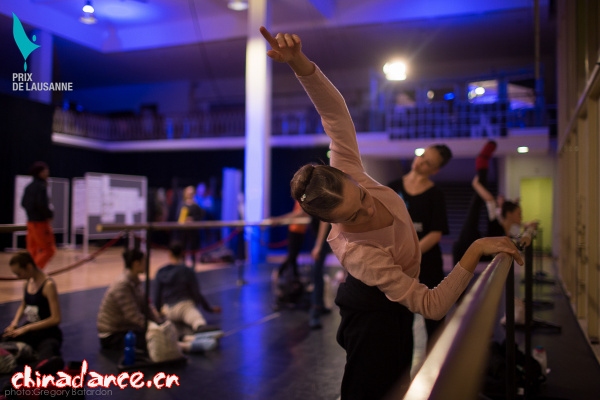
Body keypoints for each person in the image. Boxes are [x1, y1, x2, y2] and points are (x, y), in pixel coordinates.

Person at [260, 26, 524, 400]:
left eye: (362, 196)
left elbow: (334, 113)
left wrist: (298, 62)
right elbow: (432, 306)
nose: (369, 208)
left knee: (400, 382)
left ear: (350, 176)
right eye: (354, 216)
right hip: (371, 316)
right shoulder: (359, 253)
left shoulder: (348, 168)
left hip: (394, 307)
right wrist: (477, 247)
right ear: (333, 222)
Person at [387, 144, 453, 349]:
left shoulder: (436, 195)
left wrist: (410, 254)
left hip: (427, 264)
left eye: (428, 162)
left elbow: (435, 233)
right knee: (399, 324)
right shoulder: (392, 187)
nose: (421, 162)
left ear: (435, 170)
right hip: (399, 266)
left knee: (434, 322)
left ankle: (436, 365)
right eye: (422, 156)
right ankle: (401, 368)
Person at [452, 141, 536, 265]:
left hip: (470, 248)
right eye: (519, 213)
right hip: (464, 246)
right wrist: (476, 185)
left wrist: (526, 225)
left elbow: (518, 236)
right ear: (509, 214)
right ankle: (481, 165)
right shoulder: (496, 220)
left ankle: (482, 164)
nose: (521, 216)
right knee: (475, 211)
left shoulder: (509, 230)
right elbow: (490, 200)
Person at [2, 251, 63, 373]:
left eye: (19, 273)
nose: (18, 277)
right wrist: (14, 323)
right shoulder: (27, 282)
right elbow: (23, 305)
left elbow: (56, 318)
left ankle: (40, 364)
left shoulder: (48, 285)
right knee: (5, 338)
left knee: (47, 353)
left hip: (47, 333)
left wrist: (27, 328)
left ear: (29, 267)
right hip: (31, 331)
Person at [96, 248, 162, 352]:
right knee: (153, 340)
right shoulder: (123, 284)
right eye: (144, 261)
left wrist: (158, 323)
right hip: (112, 335)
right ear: (136, 263)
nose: (146, 264)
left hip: (125, 328)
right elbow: (132, 315)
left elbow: (146, 306)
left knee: (157, 336)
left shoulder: (134, 281)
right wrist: (153, 327)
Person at [154, 241, 222, 337]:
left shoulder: (161, 272)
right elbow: (196, 292)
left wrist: (158, 310)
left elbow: (157, 294)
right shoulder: (187, 271)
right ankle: (200, 329)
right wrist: (209, 308)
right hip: (184, 307)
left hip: (168, 309)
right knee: (198, 322)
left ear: (169, 253)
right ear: (182, 254)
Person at [20, 161, 56, 269]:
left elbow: (23, 203)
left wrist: (31, 212)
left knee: (32, 250)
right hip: (40, 223)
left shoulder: (29, 187)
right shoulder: (41, 187)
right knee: (48, 250)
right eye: (45, 171)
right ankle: (34, 272)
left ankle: (29, 272)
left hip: (30, 223)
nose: (47, 173)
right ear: (40, 173)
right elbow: (41, 204)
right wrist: (49, 215)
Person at [308, 218, 332, 329]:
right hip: (320, 238)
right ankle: (320, 305)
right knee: (318, 273)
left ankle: (315, 311)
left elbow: (324, 220)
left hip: (322, 239)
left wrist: (318, 245)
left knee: (317, 273)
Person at [274, 200, 309, 278]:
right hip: (294, 230)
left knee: (294, 255)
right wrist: (280, 219)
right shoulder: (301, 199)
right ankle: (280, 272)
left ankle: (295, 276)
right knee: (292, 255)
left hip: (301, 231)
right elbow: (299, 213)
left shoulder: (304, 198)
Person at [177, 185, 206, 267]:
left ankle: (193, 266)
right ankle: (182, 265)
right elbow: (178, 217)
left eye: (191, 193)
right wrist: (184, 220)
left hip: (193, 231)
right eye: (188, 193)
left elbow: (200, 215)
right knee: (183, 248)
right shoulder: (182, 204)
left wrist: (193, 219)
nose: (190, 194)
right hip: (183, 231)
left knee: (193, 248)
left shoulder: (196, 205)